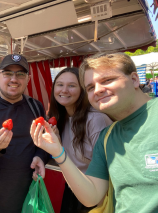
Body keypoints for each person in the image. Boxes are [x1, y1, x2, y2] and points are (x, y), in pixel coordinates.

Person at [31, 52, 158, 213]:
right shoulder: (108, 136)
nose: (98, 90)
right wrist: (57, 151)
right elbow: (92, 196)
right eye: (90, 87)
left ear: (134, 79)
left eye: (107, 80)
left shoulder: (97, 121)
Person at [0, 54, 50, 213]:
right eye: (7, 73)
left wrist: (40, 156)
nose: (14, 79)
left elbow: (43, 143)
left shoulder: (35, 107)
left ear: (28, 79)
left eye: (20, 74)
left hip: (29, 196)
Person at [48, 67, 112, 213]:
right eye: (60, 84)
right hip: (73, 189)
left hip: (96, 195)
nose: (64, 90)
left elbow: (109, 167)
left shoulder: (96, 119)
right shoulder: (60, 119)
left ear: (82, 90)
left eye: (72, 85)